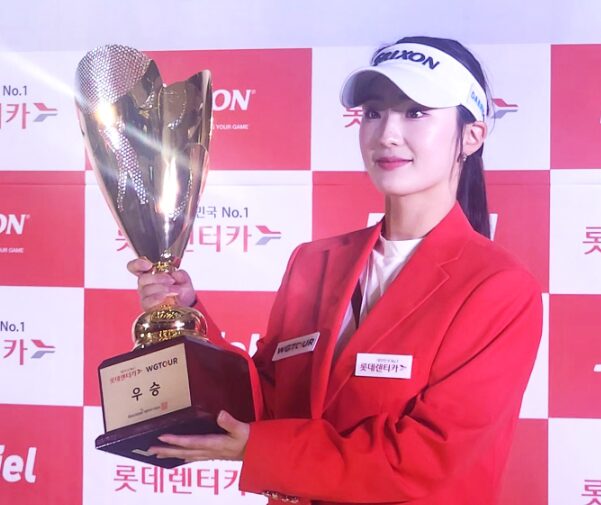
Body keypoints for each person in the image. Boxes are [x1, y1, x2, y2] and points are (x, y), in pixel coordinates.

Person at [128, 36, 543, 505]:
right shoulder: (313, 262)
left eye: (416, 112)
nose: (387, 133)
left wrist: (259, 450)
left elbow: (428, 458)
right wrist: (186, 318)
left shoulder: (498, 288)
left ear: (472, 135)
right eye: (374, 112)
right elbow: (266, 401)